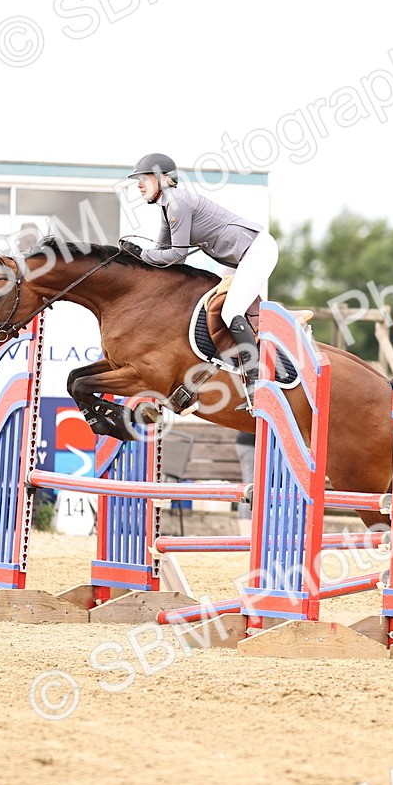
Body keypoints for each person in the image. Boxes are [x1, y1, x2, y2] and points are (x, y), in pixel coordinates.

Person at [117, 153, 278, 412]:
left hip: (256, 251)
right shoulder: (166, 205)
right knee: (218, 308)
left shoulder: (177, 202)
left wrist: (140, 253)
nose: (138, 185)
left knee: (230, 311)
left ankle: (256, 386)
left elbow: (175, 255)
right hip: (241, 256)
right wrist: (139, 256)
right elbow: (164, 253)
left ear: (161, 179)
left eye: (143, 178)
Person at [234, 430, 257, 536]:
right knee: (252, 489)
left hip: (245, 442)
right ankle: (247, 534)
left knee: (248, 487)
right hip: (250, 443)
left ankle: (245, 532)